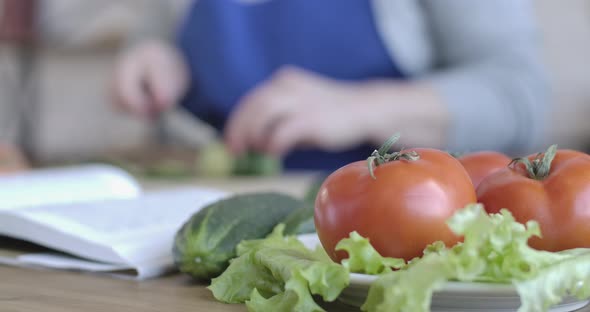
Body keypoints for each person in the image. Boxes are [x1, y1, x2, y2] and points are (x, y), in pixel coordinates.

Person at [113, 0, 548, 171]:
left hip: (399, 233)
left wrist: (362, 108)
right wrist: (159, 56)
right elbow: (157, 28)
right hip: (224, 224)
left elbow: (521, 93)